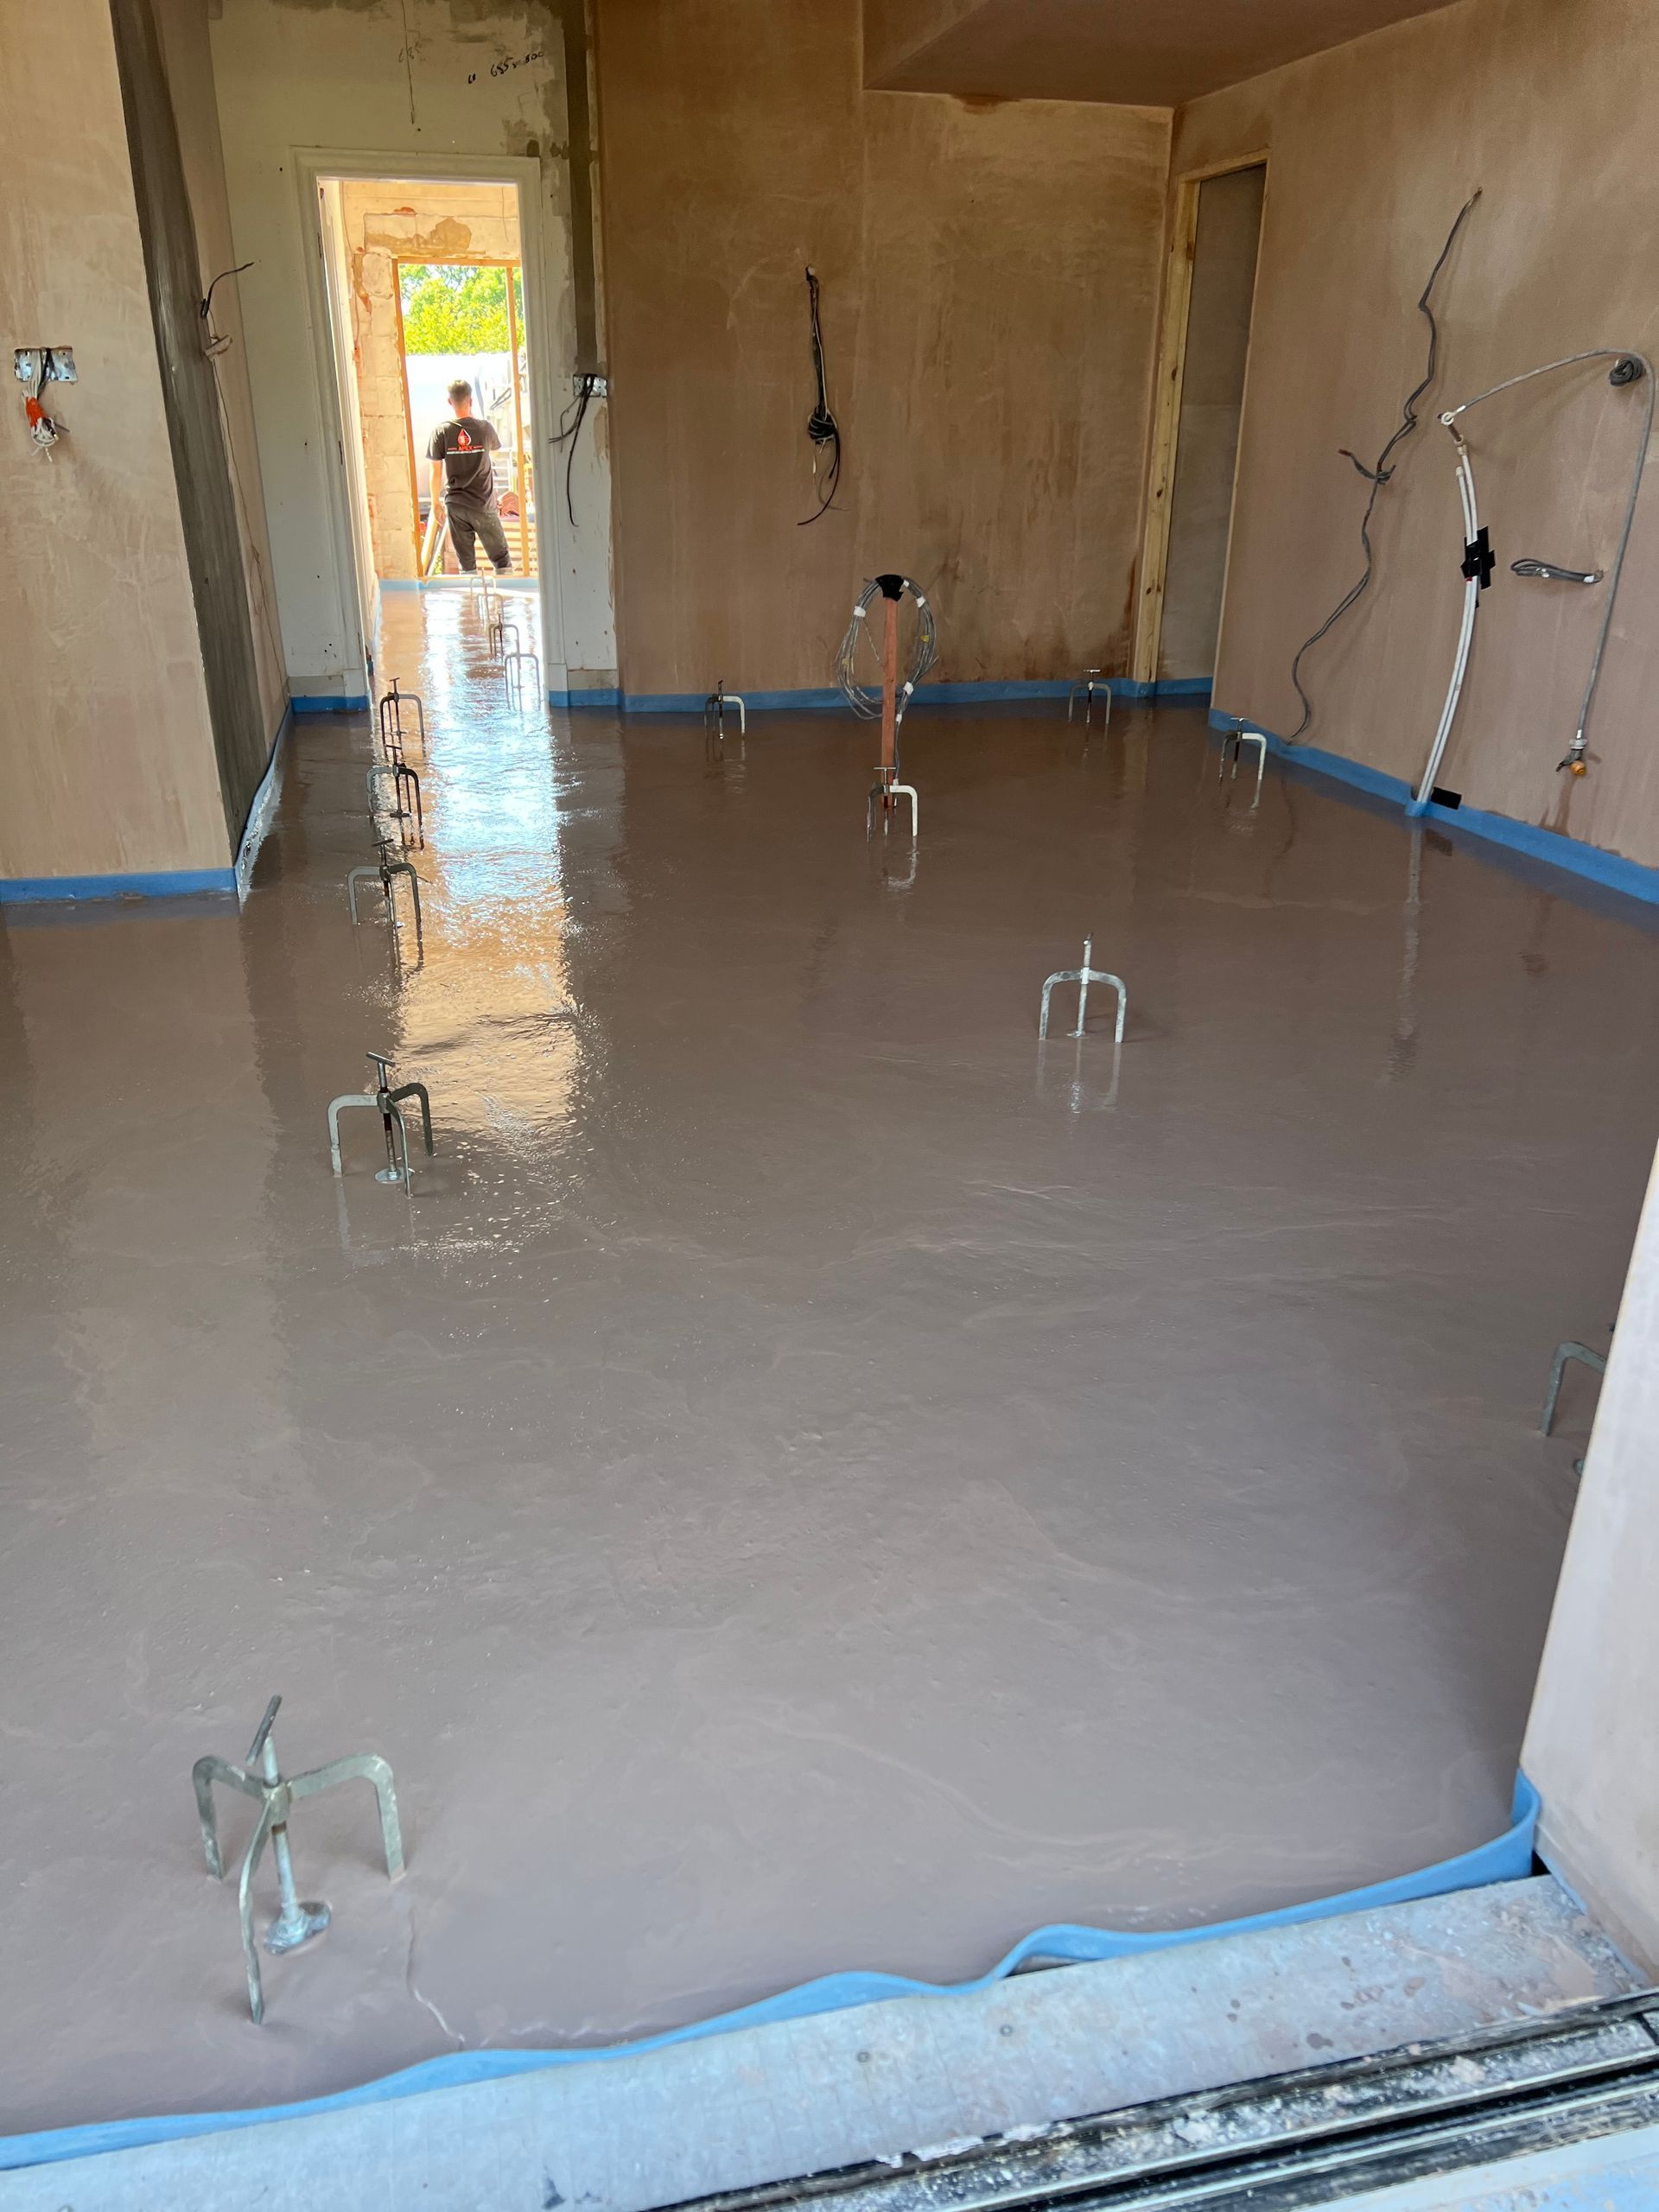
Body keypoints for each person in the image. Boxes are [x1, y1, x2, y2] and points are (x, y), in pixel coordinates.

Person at [427, 380, 511, 575]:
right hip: (482, 504)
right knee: (502, 561)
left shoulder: (441, 432)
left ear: (450, 401)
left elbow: (435, 472)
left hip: (456, 506)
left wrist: (435, 503)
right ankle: (505, 593)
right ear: (471, 401)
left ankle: (470, 593)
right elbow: (496, 453)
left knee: (467, 566)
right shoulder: (484, 428)